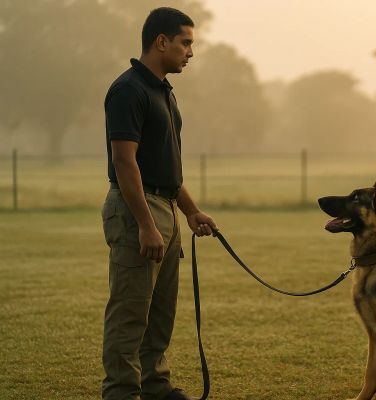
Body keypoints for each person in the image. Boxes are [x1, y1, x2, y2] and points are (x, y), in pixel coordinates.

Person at [101, 7, 216, 400]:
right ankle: (121, 392)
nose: (190, 52)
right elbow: (124, 161)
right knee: (130, 312)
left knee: (160, 312)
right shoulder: (129, 89)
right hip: (138, 210)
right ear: (161, 41)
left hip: (164, 207)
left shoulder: (163, 91)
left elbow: (166, 168)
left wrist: (192, 211)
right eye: (185, 43)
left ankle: (154, 386)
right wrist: (146, 225)